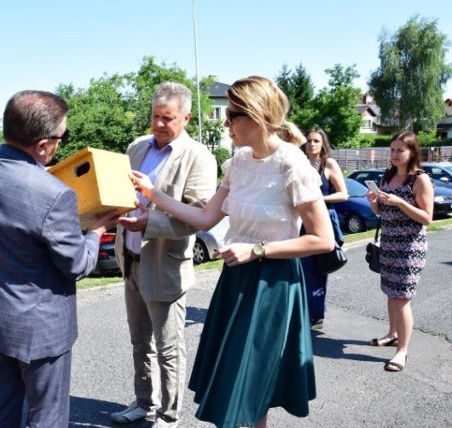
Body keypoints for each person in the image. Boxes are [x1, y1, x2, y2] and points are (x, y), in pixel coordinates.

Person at [129, 76, 334, 428]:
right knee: (239, 388)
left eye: (232, 115)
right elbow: (205, 217)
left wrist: (257, 249)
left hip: (273, 285)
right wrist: (153, 196)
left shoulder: (292, 164)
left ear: (257, 116)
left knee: (253, 390)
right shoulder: (239, 161)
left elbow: (322, 240)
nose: (226, 123)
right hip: (236, 280)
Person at [0, 90, 119, 427]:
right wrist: (97, 231)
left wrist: (39, 171)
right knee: (48, 416)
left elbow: (9, 198)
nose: (61, 144)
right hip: (39, 326)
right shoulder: (55, 195)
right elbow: (77, 265)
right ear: (43, 144)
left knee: (1, 407)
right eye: (61, 137)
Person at [111, 82, 217, 427]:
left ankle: (169, 416)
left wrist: (149, 223)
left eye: (167, 118)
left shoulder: (199, 156)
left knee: (169, 347)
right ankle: (144, 403)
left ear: (186, 117)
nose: (158, 124)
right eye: (155, 116)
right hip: (130, 260)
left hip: (165, 264)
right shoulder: (137, 147)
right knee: (139, 341)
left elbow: (197, 216)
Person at [366, 131, 433, 372]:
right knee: (390, 293)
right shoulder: (388, 176)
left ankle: (402, 351)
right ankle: (393, 334)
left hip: (409, 248)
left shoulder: (420, 179)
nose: (394, 155)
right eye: (392, 150)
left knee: (401, 298)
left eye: (399, 150)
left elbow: (427, 218)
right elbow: (381, 213)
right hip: (389, 244)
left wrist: (401, 203)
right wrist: (374, 200)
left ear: (412, 152)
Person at [300, 128, 348, 330]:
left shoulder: (329, 164)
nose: (312, 144)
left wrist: (319, 199)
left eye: (316, 141)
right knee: (302, 269)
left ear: (323, 143)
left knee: (320, 268)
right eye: (309, 140)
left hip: (325, 221)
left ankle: (316, 314)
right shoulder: (300, 163)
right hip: (302, 223)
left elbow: (343, 194)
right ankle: (305, 311)